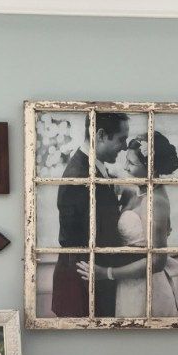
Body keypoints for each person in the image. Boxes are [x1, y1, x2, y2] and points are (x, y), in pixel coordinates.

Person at [76, 132, 178, 317]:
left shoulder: (156, 201)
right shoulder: (139, 192)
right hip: (128, 281)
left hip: (147, 287)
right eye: (126, 160)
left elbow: (157, 261)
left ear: (152, 169)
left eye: (132, 164)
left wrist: (107, 273)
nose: (125, 167)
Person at [52, 112, 141, 318]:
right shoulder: (79, 177)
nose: (125, 146)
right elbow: (81, 243)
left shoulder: (94, 169)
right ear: (100, 135)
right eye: (121, 138)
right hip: (84, 287)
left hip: (95, 280)